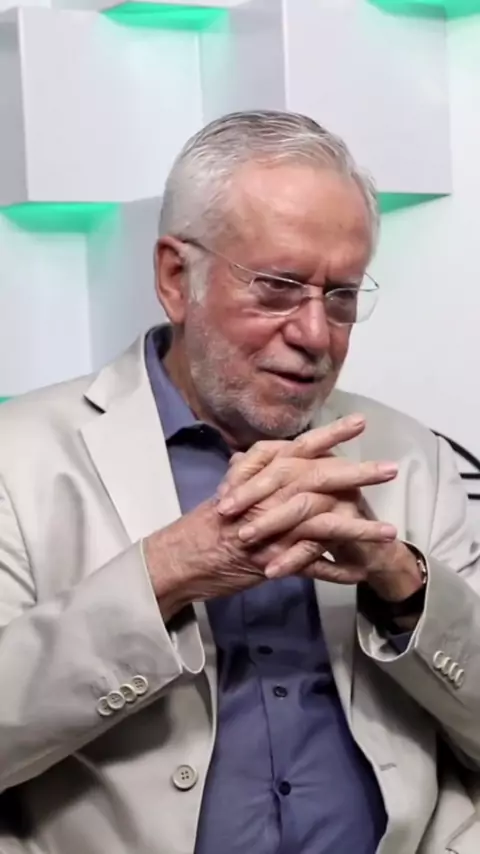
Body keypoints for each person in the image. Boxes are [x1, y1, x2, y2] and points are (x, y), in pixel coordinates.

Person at [0, 110, 479, 854]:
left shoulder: (413, 456)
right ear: (175, 278)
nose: (316, 334)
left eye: (342, 294)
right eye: (279, 287)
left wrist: (403, 586)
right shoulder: (17, 457)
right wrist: (164, 574)